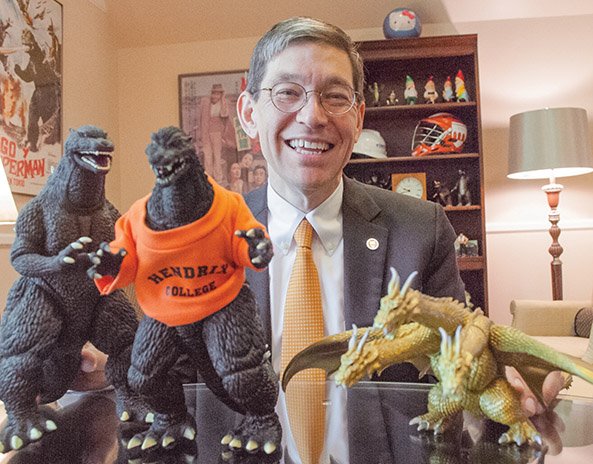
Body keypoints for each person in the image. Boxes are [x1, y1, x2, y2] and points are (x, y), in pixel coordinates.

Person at [234, 16, 564, 463]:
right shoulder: (205, 234)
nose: (313, 116)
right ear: (250, 113)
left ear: (359, 117)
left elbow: (459, 349)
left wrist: (505, 380)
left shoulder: (420, 228)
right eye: (287, 92)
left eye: (335, 96)